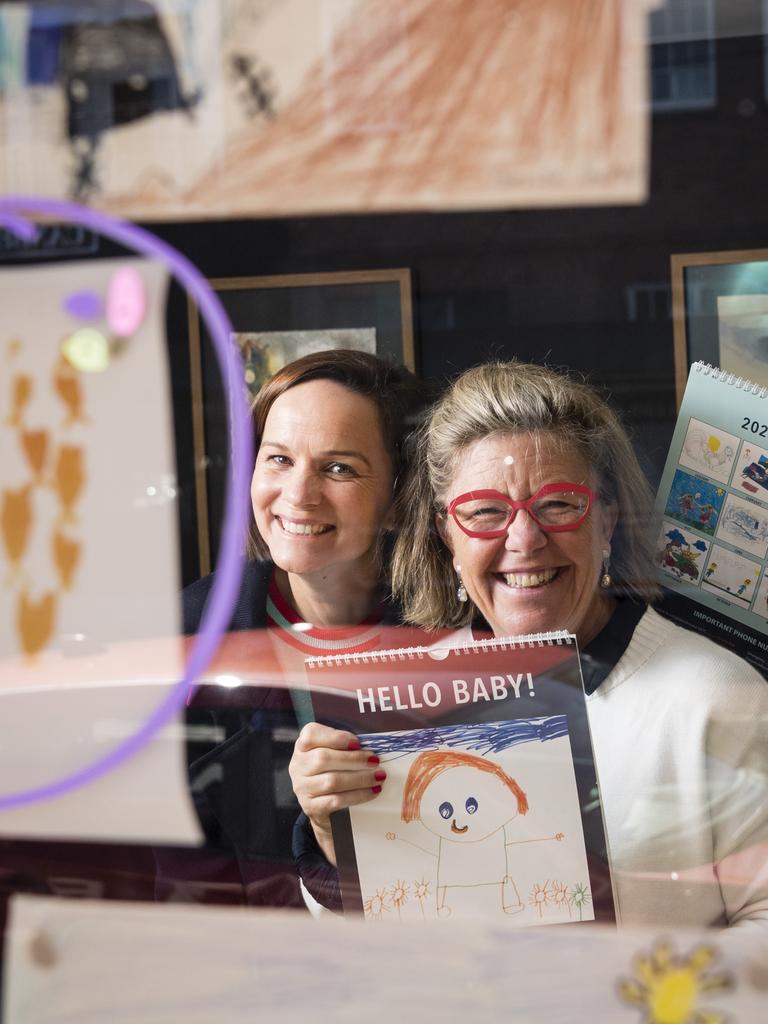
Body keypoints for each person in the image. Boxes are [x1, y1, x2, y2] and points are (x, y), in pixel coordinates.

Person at [290, 360, 768, 928]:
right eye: (486, 512)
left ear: (607, 521)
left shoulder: (717, 697)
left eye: (558, 504)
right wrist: (331, 833)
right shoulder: (404, 701)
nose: (524, 538)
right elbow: (368, 943)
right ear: (447, 535)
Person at [178, 349, 427, 905]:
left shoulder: (459, 636)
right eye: (279, 460)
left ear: (398, 495)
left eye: (339, 467)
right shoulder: (186, 639)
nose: (298, 494)